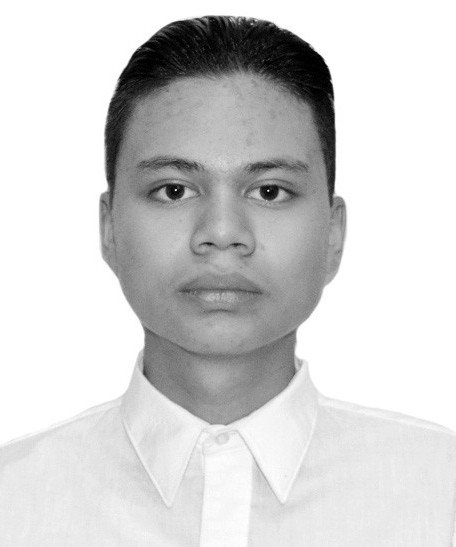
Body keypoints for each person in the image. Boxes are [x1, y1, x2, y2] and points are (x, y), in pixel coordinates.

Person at [0, 14, 454, 546]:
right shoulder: (15, 500)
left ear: (333, 235)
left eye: (269, 191)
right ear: (109, 228)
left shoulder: (439, 493)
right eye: (173, 190)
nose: (221, 233)